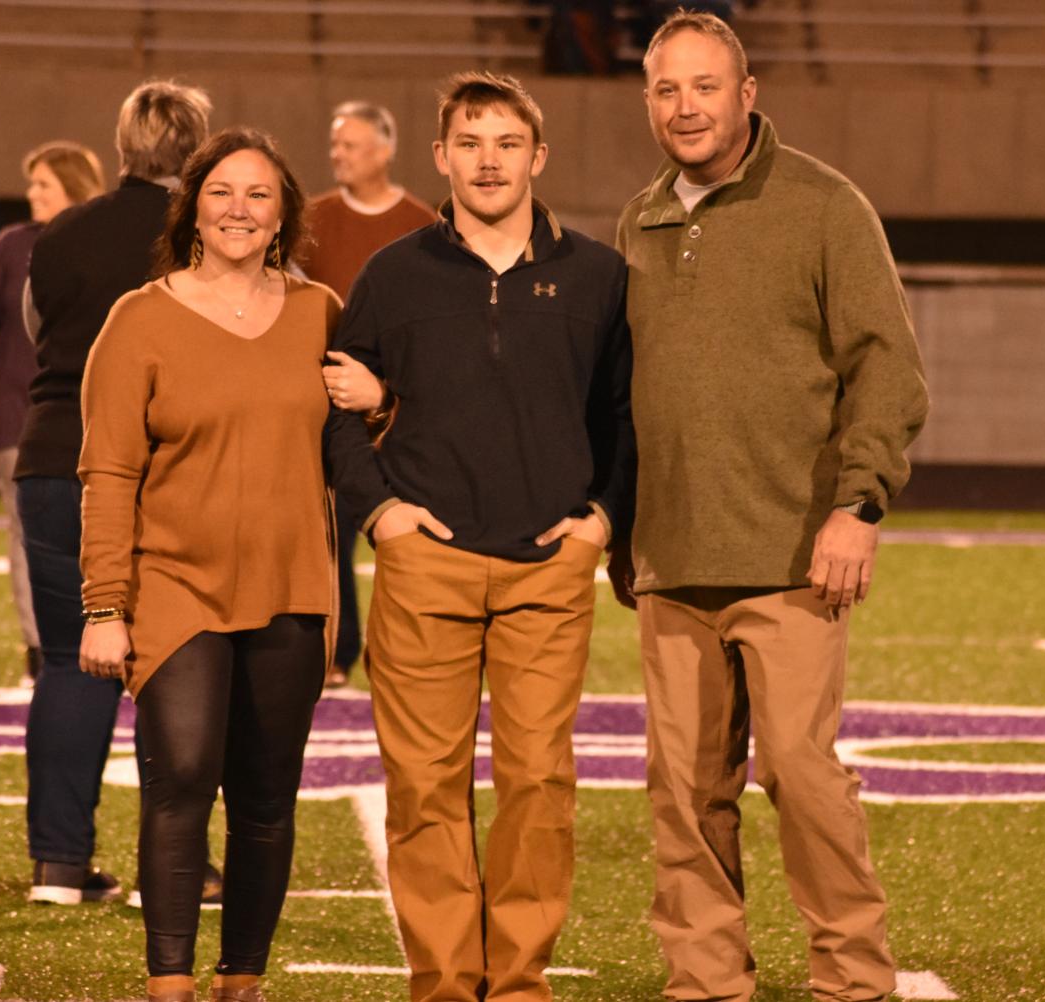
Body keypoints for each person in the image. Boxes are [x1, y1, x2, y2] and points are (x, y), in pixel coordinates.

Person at [616, 12, 928, 1002]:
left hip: (795, 551)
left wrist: (860, 505)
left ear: (747, 95)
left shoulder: (824, 206)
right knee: (682, 793)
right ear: (648, 103)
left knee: (801, 777)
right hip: (671, 559)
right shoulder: (639, 221)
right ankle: (706, 983)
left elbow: (887, 366)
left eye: (705, 86)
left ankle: (853, 982)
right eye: (667, 90)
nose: (685, 107)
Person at [323, 71, 634, 1001]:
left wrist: (603, 523)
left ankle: (520, 983)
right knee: (423, 789)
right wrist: (383, 515)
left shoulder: (598, 275)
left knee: (538, 784)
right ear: (440, 158)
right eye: (469, 142)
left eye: (506, 143)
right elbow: (335, 402)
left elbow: (627, 417)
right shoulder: (393, 273)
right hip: (426, 566)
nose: (488, 160)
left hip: (550, 569)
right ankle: (444, 985)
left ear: (537, 156)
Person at [78, 126, 339, 1002]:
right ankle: (170, 982)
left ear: (282, 217)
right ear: (192, 207)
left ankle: (243, 981)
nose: (238, 208)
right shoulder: (138, 318)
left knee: (267, 798)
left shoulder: (319, 313)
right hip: (175, 586)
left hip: (292, 588)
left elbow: (361, 441)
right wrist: (103, 604)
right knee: (183, 775)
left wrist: (382, 405)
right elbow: (108, 471)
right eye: (221, 191)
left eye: (258, 194)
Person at [15, 79, 212, 907]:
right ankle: (183, 868)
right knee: (180, 666)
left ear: (124, 145)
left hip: (53, 457)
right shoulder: (200, 233)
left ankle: (60, 864)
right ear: (197, 150)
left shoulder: (61, 232)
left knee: (70, 662)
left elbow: (37, 330)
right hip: (157, 467)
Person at [0, 141, 104, 686]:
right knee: (24, 534)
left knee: (98, 533)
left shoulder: (101, 240)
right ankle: (40, 649)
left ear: (71, 185)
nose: (31, 193)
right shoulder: (13, 245)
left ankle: (101, 633)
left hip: (95, 416)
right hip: (18, 413)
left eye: (42, 183)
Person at [303, 100, 437, 689]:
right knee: (326, 532)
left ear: (385, 149)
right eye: (335, 145)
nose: (338, 155)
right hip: (327, 400)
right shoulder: (311, 218)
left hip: (405, 407)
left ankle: (416, 653)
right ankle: (336, 650)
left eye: (350, 144)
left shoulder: (423, 223)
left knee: (409, 534)